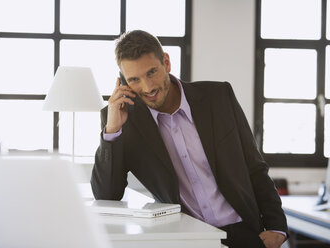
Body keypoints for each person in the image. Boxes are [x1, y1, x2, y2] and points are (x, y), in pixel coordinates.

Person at [91, 30, 288, 248]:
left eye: (152, 72)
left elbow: (254, 166)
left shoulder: (219, 96)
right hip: (187, 238)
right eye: (134, 79)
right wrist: (112, 130)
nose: (148, 88)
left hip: (244, 233)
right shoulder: (124, 120)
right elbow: (107, 195)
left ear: (166, 62)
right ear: (123, 82)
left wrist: (276, 226)